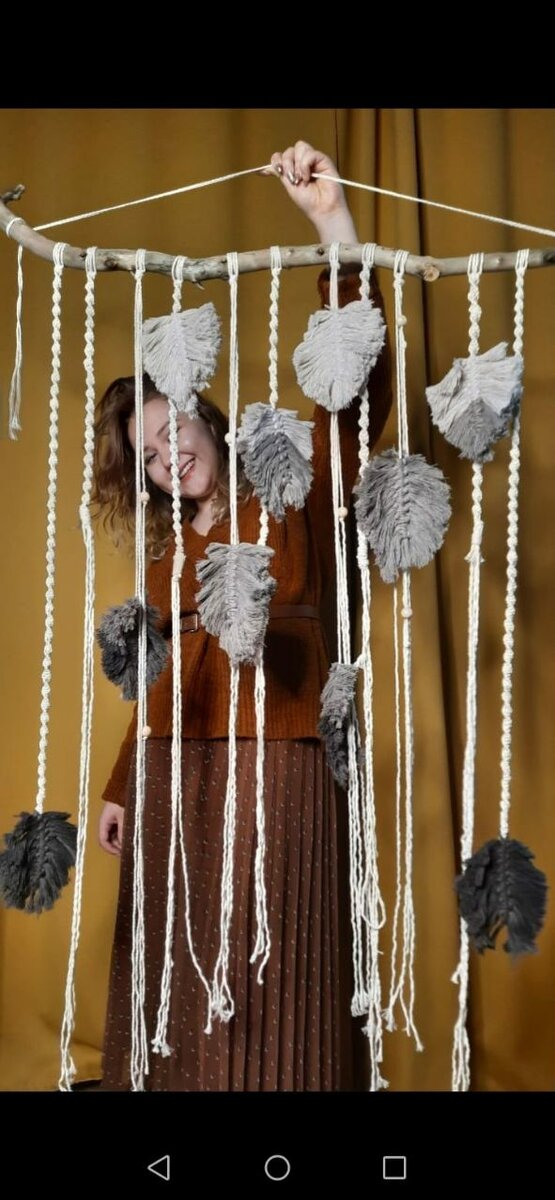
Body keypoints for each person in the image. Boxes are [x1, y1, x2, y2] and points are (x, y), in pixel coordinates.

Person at [94, 140, 393, 1091]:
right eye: (147, 458)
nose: (167, 459)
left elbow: (355, 394)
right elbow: (156, 681)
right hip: (175, 778)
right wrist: (119, 785)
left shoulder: (292, 486)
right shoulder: (164, 557)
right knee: (177, 974)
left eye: (170, 432)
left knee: (277, 976)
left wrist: (330, 223)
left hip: (282, 764)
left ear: (204, 414)